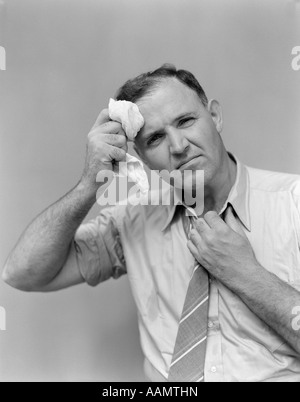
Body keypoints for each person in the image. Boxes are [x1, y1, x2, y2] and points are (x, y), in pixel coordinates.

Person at [3, 64, 300, 382]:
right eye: (156, 138)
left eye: (185, 121)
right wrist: (90, 182)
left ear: (215, 116)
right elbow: (22, 273)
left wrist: (245, 273)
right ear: (141, 158)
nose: (178, 146)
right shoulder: (133, 220)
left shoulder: (293, 203)